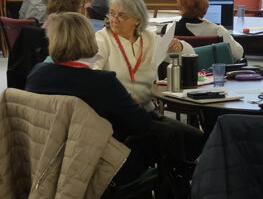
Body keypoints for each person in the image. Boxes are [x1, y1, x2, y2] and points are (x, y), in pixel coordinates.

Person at [26, 12, 204, 192]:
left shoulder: (37, 74)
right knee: (168, 134)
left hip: (48, 159)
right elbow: (142, 123)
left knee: (167, 130)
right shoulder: (101, 82)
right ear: (88, 40)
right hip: (105, 165)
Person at [93, 0, 193, 111]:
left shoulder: (149, 38)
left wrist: (179, 47)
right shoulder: (102, 39)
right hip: (115, 111)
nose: (114, 19)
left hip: (146, 110)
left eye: (121, 15)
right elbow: (93, 78)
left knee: (186, 131)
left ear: (137, 19)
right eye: (112, 13)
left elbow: (190, 55)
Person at [175, 0, 243, 61]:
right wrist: (210, 24)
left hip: (181, 72)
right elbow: (238, 54)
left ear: (180, 4)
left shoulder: (169, 30)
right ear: (205, 5)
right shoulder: (217, 30)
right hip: (212, 72)